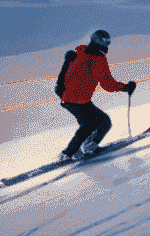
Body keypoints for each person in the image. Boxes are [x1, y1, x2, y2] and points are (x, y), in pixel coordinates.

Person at [54, 28, 136, 160]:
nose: (107, 44)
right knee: (99, 122)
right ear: (100, 42)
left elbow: (67, 72)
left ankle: (84, 147)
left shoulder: (79, 52)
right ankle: (69, 153)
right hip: (77, 99)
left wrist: (61, 90)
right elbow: (107, 84)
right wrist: (125, 88)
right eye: (106, 42)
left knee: (91, 123)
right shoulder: (97, 59)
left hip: (71, 98)